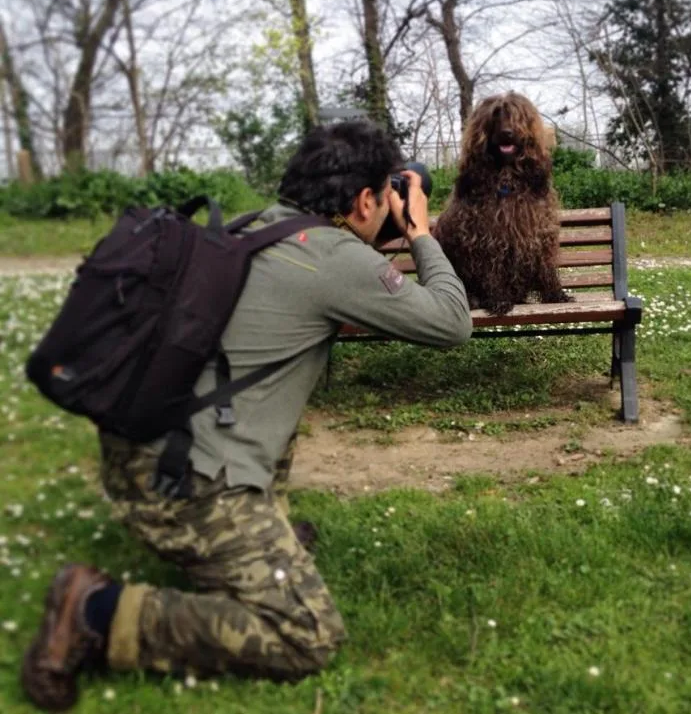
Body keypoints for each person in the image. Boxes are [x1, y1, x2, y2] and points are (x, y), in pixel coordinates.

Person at [21, 120, 472, 711]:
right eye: (385, 193)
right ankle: (94, 612)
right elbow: (450, 320)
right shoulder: (335, 259)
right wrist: (419, 229)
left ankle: (265, 534)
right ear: (366, 201)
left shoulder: (254, 227)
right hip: (185, 489)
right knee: (306, 633)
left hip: (142, 450)